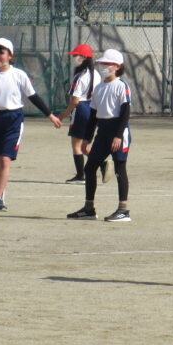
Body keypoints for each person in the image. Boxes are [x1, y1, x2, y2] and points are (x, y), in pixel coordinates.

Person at [0, 37, 62, 210]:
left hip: (13, 119)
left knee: (4, 159)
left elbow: (33, 96)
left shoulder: (19, 75)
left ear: (10, 55)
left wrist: (50, 115)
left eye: (1, 53)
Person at [66, 48, 132, 223]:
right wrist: (87, 139)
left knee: (119, 169)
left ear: (117, 67)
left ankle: (123, 210)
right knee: (90, 168)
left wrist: (118, 136)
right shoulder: (99, 88)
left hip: (118, 132)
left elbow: (125, 113)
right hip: (102, 133)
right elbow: (93, 116)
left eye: (107, 64)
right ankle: (89, 208)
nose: (103, 66)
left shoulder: (121, 86)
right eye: (102, 63)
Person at [56, 43, 107, 184]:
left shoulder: (80, 76)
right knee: (84, 146)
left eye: (76, 55)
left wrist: (65, 113)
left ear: (84, 57)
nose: (74, 58)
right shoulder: (96, 74)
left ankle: (80, 176)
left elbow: (75, 100)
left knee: (76, 146)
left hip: (81, 109)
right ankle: (102, 163)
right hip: (93, 109)